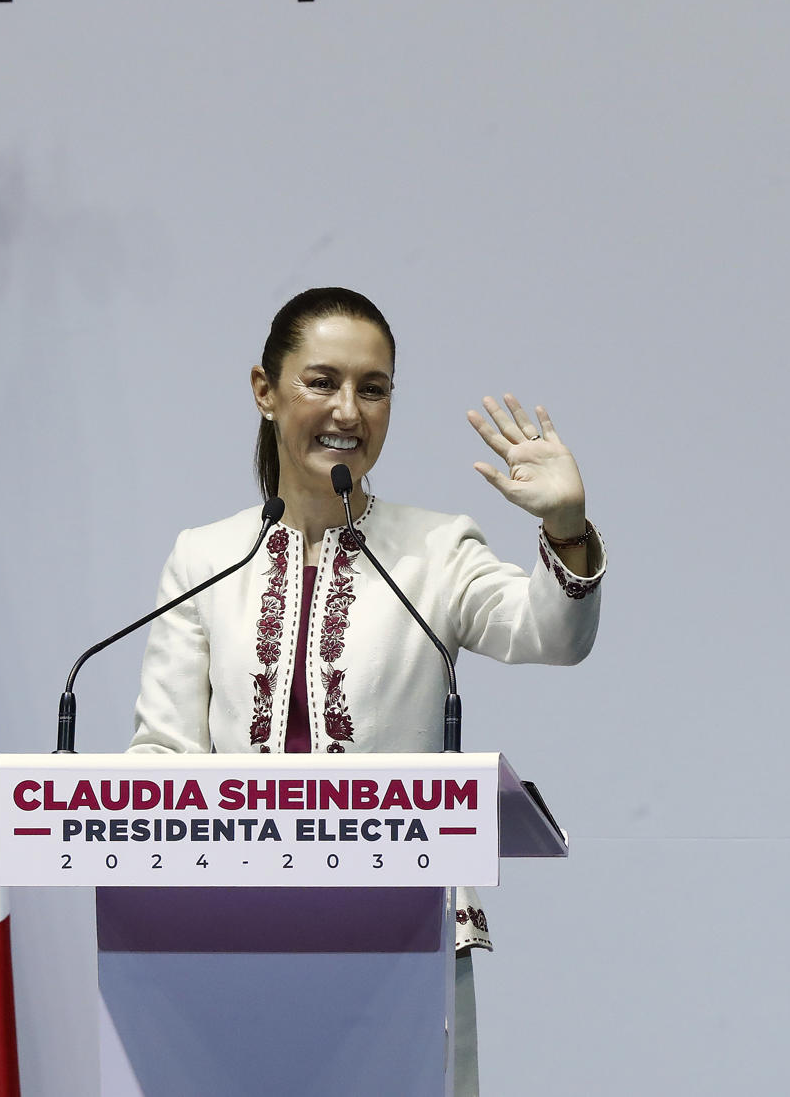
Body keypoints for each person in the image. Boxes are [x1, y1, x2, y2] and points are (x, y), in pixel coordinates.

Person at [128, 287, 605, 1095]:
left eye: (373, 387)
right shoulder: (202, 557)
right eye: (322, 380)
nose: (348, 409)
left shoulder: (434, 548)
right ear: (264, 389)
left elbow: (550, 633)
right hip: (233, 948)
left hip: (405, 947)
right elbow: (161, 757)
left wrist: (565, 528)